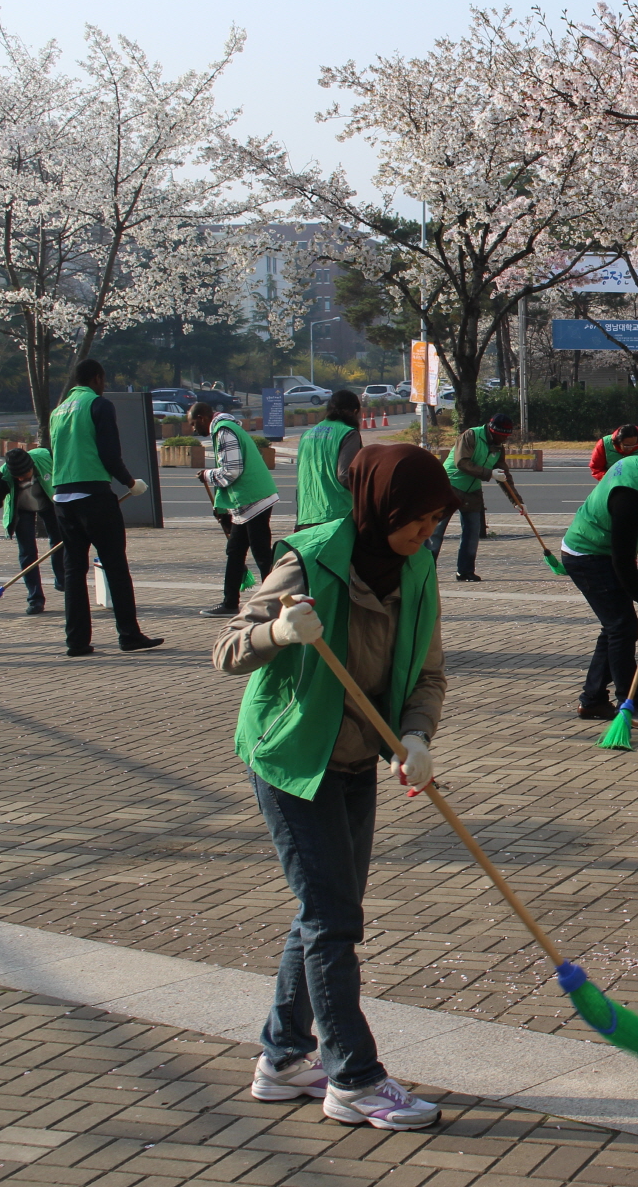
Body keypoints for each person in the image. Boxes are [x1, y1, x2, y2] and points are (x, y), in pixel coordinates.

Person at [213, 443, 461, 1132]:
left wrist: (416, 737)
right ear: (383, 506)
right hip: (294, 761)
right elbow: (228, 647)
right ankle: (353, 1077)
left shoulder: (416, 571)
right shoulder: (308, 559)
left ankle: (284, 1057)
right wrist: (278, 632)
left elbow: (430, 673)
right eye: (418, 519)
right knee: (333, 919)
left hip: (358, 759)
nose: (426, 533)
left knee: (327, 911)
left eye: (436, 520)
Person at [560, 445, 638, 728]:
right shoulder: (630, 496)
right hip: (588, 555)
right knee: (622, 626)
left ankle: (593, 699)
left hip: (598, 549)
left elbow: (632, 520)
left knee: (616, 626)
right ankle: (631, 704)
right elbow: (623, 561)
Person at [50, 359, 160, 656]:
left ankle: (77, 641)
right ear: (97, 378)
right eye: (103, 380)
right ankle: (128, 634)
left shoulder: (57, 411)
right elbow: (109, 454)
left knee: (74, 571)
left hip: (62, 498)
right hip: (94, 496)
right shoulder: (99, 405)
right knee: (115, 566)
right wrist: (129, 482)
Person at [193, 401, 280, 618]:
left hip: (254, 498)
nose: (194, 430)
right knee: (235, 551)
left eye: (194, 424)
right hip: (245, 502)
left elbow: (231, 471)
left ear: (203, 417)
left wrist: (207, 475)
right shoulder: (226, 428)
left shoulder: (224, 431)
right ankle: (230, 602)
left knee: (261, 554)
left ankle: (278, 601)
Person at [427, 413, 514, 582]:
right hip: (450, 485)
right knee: (436, 531)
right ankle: (426, 571)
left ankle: (465, 571)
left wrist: (517, 502)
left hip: (472, 490)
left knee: (472, 532)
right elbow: (462, 462)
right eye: (502, 436)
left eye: (506, 437)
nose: (503, 440)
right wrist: (490, 473)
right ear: (492, 430)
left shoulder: (498, 447)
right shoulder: (471, 436)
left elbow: (504, 475)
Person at [0, 445, 64, 615]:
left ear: (31, 466)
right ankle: (35, 599)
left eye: (23, 475)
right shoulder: (4, 475)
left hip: (48, 500)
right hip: (22, 509)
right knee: (27, 553)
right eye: (16, 476)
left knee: (60, 542)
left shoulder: (45, 457)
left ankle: (62, 580)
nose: (20, 479)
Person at [296, 390, 364, 530]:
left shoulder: (307, 434)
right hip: (338, 516)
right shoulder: (348, 433)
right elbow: (345, 476)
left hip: (307, 514)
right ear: (355, 411)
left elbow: (301, 476)